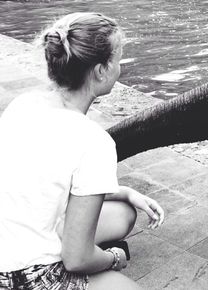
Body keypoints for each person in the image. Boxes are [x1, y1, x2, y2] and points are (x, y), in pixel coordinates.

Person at [0, 12, 164, 290]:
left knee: (124, 212)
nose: (119, 68)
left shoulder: (24, 103)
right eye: (118, 60)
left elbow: (45, 183)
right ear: (101, 71)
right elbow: (77, 259)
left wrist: (125, 192)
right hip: (22, 278)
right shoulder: (94, 141)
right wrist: (114, 257)